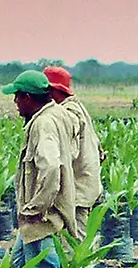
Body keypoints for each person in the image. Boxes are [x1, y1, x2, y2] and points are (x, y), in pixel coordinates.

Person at [5, 70, 78, 268]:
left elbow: (51, 167)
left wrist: (36, 207)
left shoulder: (43, 124)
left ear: (28, 97)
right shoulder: (58, 114)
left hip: (42, 218)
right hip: (36, 217)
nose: (15, 101)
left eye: (17, 96)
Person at [42, 66, 103, 224]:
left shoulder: (68, 114)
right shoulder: (76, 108)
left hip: (77, 192)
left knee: (74, 244)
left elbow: (68, 153)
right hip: (82, 187)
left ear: (53, 92)